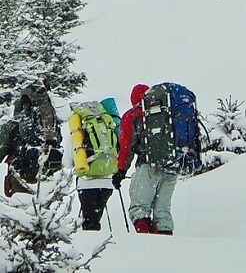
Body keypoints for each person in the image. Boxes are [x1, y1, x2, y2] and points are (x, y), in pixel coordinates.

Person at [112, 83, 177, 235]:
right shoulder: (167, 111)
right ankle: (168, 245)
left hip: (148, 165)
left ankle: (146, 244)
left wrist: (121, 171)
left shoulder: (133, 114)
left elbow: (126, 146)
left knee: (139, 209)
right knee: (163, 213)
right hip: (171, 166)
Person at [0, 80, 63, 197]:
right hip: (51, 179)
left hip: (22, 175)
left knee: (21, 209)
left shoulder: (16, 122)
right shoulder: (51, 118)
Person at [74, 97, 121, 231]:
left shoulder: (79, 130)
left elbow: (68, 160)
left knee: (90, 222)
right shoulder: (107, 124)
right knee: (95, 217)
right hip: (107, 180)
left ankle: (91, 246)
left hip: (87, 181)